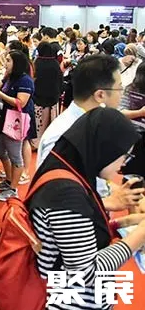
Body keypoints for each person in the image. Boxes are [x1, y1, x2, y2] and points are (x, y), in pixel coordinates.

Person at [29, 108, 145, 310]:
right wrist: (140, 234)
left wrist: (119, 223)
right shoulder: (66, 194)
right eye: (124, 155)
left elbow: (74, 237)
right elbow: (87, 273)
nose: (122, 165)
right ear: (105, 148)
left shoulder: (65, 169)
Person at [38, 55, 145, 212]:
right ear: (100, 95)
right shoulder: (63, 135)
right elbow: (55, 197)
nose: (122, 94)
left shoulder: (93, 124)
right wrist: (108, 203)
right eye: (119, 88)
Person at [0, 51, 35, 201]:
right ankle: (9, 180)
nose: (5, 63)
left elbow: (20, 103)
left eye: (8, 60)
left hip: (15, 123)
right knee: (0, 149)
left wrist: (0, 94)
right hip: (3, 121)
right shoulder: (9, 77)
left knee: (15, 156)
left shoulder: (25, 81)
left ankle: (13, 189)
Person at [33, 42, 63, 144]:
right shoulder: (55, 63)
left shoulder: (37, 63)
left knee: (38, 123)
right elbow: (60, 80)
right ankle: (49, 142)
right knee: (51, 121)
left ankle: (36, 143)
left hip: (38, 98)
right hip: (52, 98)